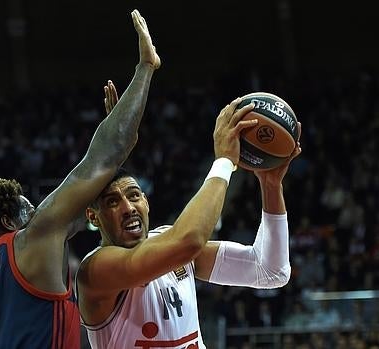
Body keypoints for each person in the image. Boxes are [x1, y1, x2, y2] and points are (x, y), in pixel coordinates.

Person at [0, 9, 160, 349]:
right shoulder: (30, 239)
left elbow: (90, 213)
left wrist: (118, 155)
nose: (38, 210)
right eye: (28, 208)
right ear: (9, 221)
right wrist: (145, 68)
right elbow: (104, 156)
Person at [75, 84, 301, 348]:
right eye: (113, 202)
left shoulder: (173, 247)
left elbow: (271, 271)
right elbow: (188, 241)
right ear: (93, 217)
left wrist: (270, 185)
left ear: (146, 202)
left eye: (134, 195)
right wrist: (224, 161)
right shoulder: (96, 270)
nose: (128, 207)